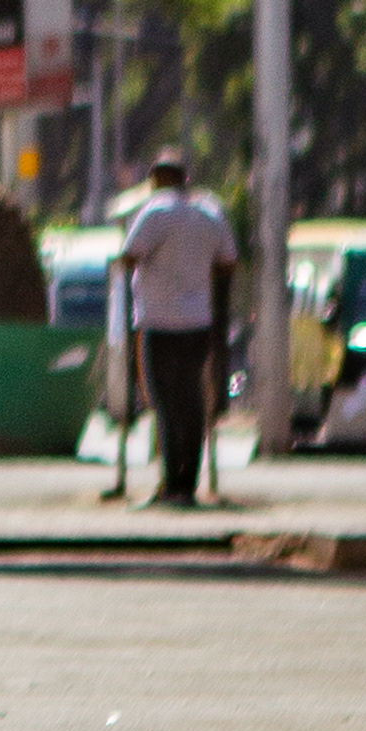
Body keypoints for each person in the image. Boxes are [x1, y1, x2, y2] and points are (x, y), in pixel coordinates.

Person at [120, 151, 239, 506]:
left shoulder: (155, 211)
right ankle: (187, 483)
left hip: (159, 322)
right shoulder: (209, 212)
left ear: (157, 179)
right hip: (197, 323)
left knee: (166, 405)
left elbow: (129, 256)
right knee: (191, 404)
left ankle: (171, 483)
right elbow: (228, 262)